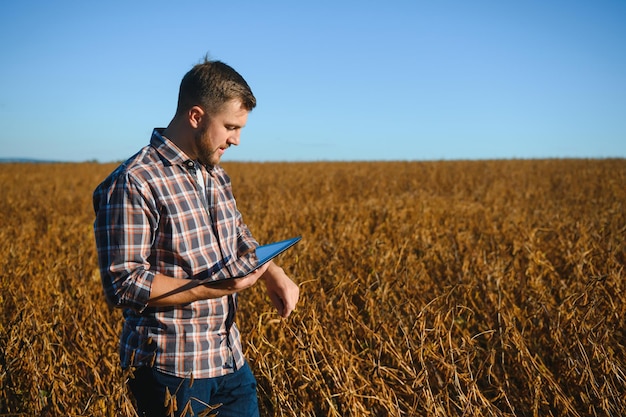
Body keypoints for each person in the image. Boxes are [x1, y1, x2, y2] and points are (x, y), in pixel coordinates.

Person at [93, 58, 300, 417]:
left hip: (228, 359)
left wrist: (272, 272)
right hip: (172, 372)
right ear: (196, 116)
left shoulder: (214, 174)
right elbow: (123, 284)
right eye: (231, 127)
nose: (236, 139)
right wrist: (213, 288)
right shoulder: (134, 181)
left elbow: (237, 234)